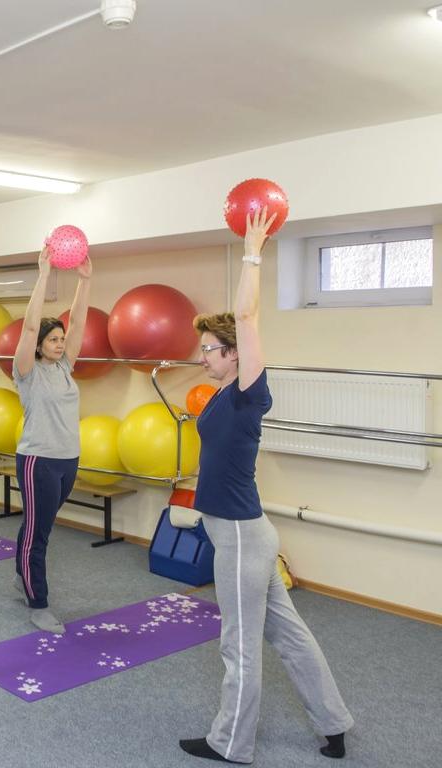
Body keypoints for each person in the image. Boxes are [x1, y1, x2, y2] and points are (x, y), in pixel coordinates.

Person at [179, 208, 353, 764]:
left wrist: (253, 252)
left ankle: (230, 743)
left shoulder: (251, 389)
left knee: (240, 643)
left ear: (233, 353)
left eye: (209, 348)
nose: (201, 355)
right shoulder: (226, 395)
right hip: (250, 531)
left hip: (238, 535)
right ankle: (333, 724)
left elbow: (248, 314)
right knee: (290, 634)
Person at [12, 245, 91, 634]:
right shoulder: (27, 371)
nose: (60, 343)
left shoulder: (64, 368)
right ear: (40, 343)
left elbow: (78, 323)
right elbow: (28, 327)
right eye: (54, 339)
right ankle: (38, 602)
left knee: (38, 526)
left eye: (61, 339)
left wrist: (85, 280)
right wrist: (43, 274)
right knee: (39, 532)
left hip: (68, 459)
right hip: (38, 460)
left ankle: (22, 575)